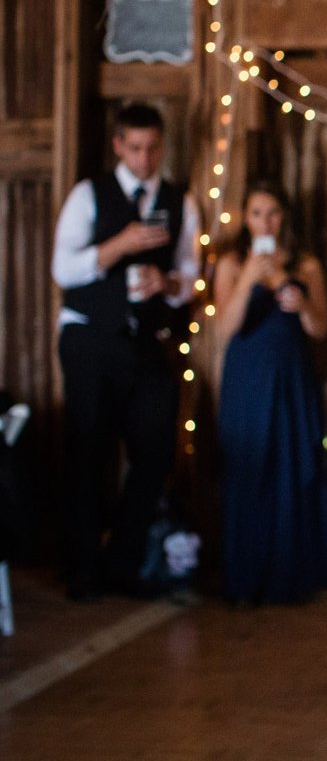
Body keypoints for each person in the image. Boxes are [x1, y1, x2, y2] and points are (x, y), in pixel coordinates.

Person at [52, 102, 201, 600]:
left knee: (157, 453)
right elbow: (63, 270)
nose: (144, 158)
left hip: (146, 342)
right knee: (88, 451)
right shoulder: (87, 196)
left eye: (153, 147)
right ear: (118, 145)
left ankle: (124, 561)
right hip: (90, 336)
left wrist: (168, 281)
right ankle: (82, 569)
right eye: (135, 148)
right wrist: (119, 245)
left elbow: (190, 279)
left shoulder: (181, 201)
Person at [212, 181, 327, 604]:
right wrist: (252, 275)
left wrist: (299, 301)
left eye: (273, 212)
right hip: (247, 379)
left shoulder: (307, 266)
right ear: (245, 219)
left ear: (284, 217)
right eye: (256, 213)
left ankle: (292, 579)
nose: (265, 221)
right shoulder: (231, 263)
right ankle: (246, 580)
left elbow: (320, 328)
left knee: (293, 469)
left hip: (290, 378)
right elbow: (225, 328)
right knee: (249, 472)